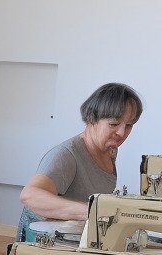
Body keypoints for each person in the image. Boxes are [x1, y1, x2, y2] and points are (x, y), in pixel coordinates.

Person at [16, 82, 143, 241]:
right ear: (91, 118)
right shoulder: (66, 155)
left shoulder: (109, 150)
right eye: (114, 124)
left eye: (129, 125)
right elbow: (30, 196)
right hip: (43, 246)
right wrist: (94, 211)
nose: (122, 132)